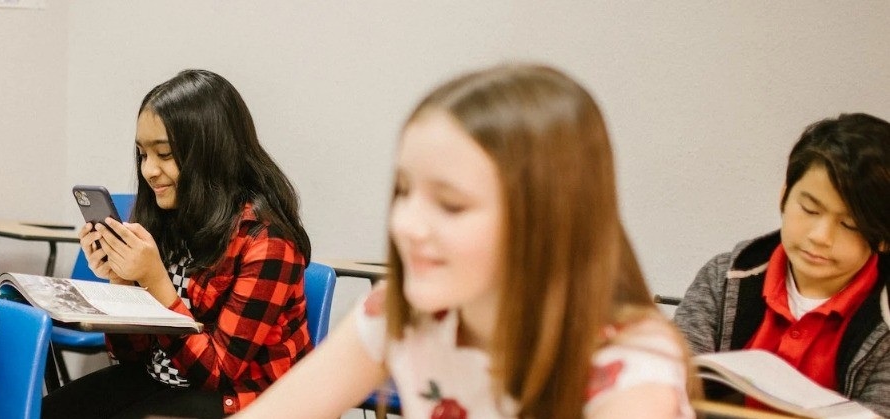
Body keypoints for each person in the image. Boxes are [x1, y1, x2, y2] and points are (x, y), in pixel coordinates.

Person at [238, 64, 693, 419]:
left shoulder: (631, 369)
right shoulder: (402, 314)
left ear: (546, 219)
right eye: (403, 191)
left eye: (451, 205)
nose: (407, 224)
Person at [43, 69, 313, 418]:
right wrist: (123, 283)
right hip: (164, 383)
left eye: (165, 154)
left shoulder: (268, 242)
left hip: (242, 402)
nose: (149, 170)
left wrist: (155, 283)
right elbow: (132, 357)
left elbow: (217, 375)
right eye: (142, 154)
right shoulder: (167, 218)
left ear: (212, 153)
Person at [676, 113, 890, 415]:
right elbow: (671, 387)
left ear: (883, 239)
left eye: (849, 225)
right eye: (809, 209)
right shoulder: (723, 279)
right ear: (784, 196)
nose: (820, 237)